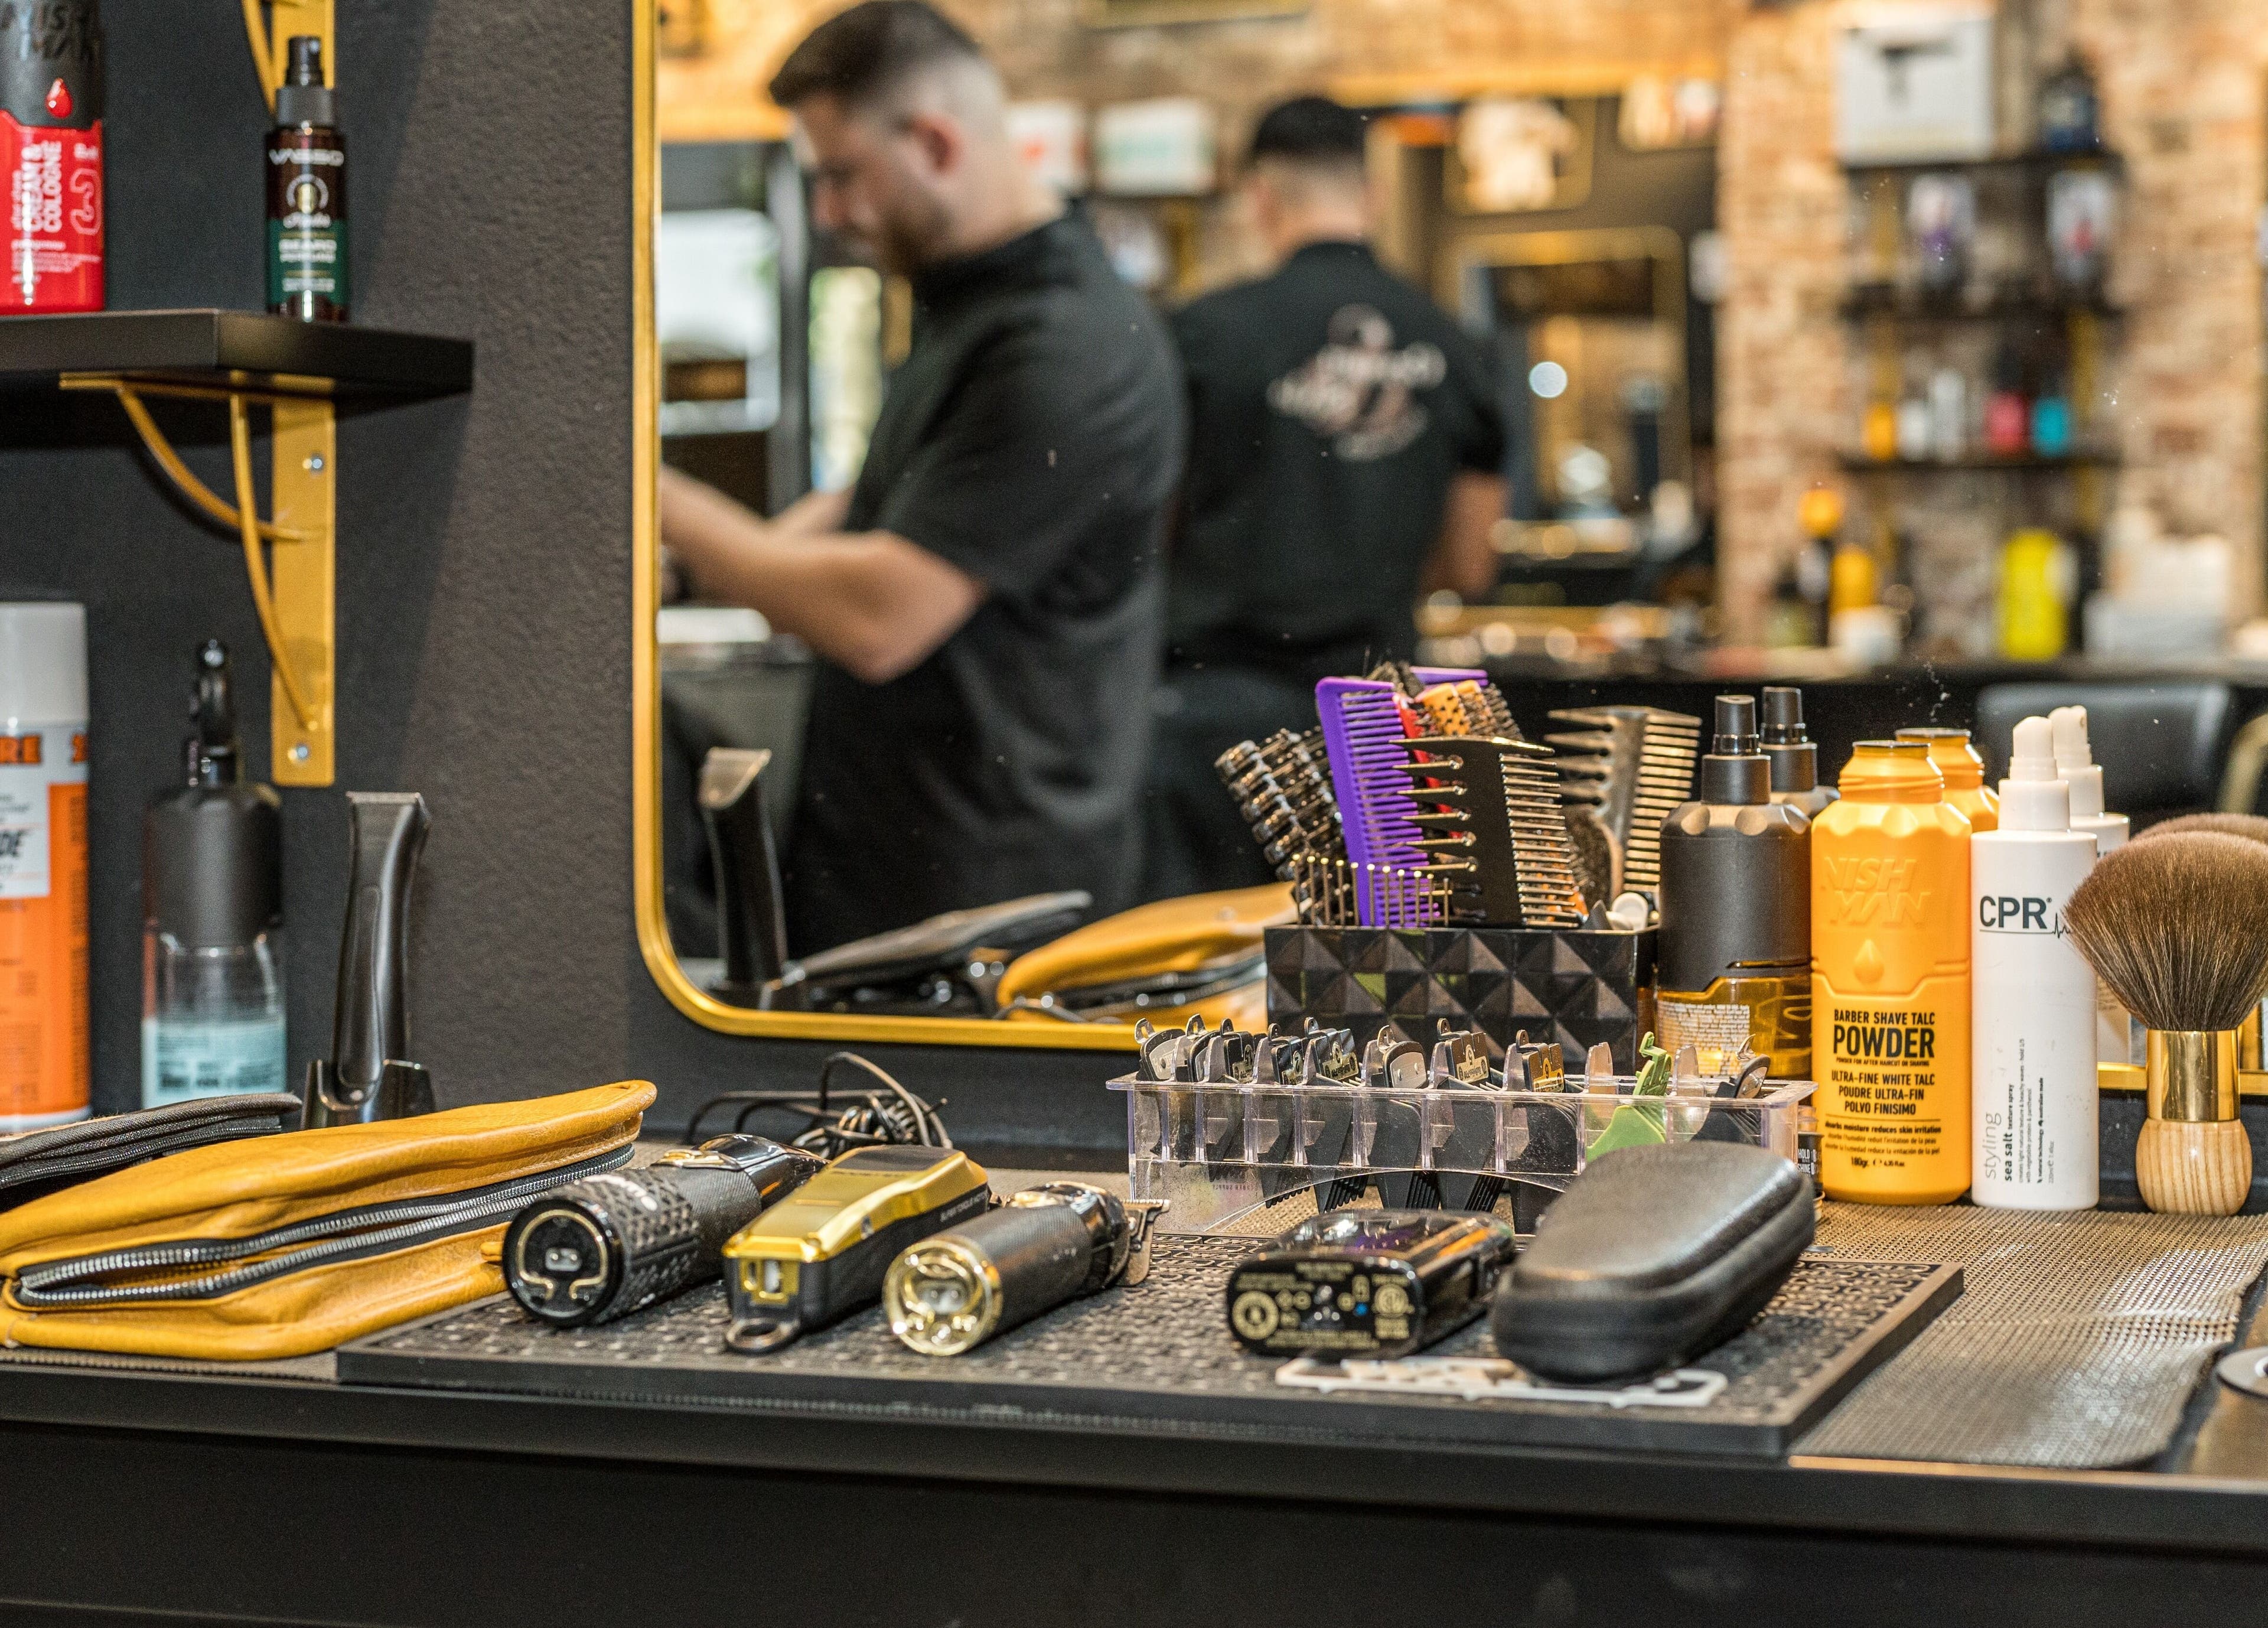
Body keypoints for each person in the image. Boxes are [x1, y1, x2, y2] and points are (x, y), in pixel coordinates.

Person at [662, 1, 1183, 954]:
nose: (829, 213)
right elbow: (889, 501)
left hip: (986, 894)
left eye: (840, 177)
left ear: (936, 143)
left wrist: (661, 501)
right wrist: (707, 569)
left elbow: (881, 617)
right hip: (903, 858)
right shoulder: (972, 306)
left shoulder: (1063, 347)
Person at [1145, 96, 1508, 898]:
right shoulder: (1453, 343)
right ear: (1372, 192)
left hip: (1212, 720)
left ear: (1259, 198)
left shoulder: (1202, 335)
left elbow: (1149, 530)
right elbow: (1468, 565)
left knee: (1197, 990)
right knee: (1367, 987)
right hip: (1376, 726)